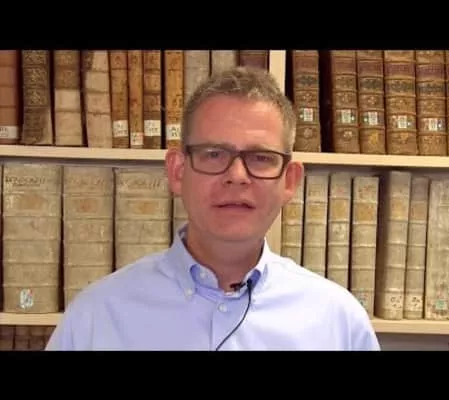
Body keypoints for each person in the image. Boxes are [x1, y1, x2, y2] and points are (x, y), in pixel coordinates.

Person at [45, 66, 381, 351]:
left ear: (289, 181)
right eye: (214, 154)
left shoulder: (339, 324)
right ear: (178, 172)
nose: (237, 176)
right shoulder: (95, 318)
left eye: (260, 158)